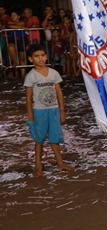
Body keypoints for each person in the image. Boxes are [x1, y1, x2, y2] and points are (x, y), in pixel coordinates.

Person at [24, 43, 73, 177]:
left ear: (46, 56)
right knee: (39, 140)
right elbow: (28, 98)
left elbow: (59, 93)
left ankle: (60, 163)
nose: (40, 59)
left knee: (54, 138)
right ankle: (38, 166)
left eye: (43, 55)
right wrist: (30, 114)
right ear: (30, 59)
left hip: (54, 110)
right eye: (36, 56)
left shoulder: (53, 73)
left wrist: (62, 110)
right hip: (39, 111)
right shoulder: (31, 76)